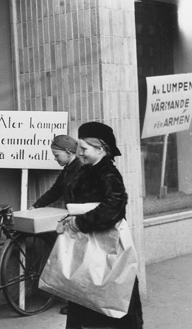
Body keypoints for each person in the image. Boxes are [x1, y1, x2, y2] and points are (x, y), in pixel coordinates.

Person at [61, 122, 143, 329]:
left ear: (101, 149)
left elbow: (114, 205)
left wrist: (80, 222)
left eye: (84, 149)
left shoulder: (108, 173)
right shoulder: (89, 170)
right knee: (89, 296)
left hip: (106, 248)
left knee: (110, 299)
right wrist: (67, 221)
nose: (80, 153)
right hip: (91, 246)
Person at [30, 134, 83, 315]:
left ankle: (80, 305)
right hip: (73, 221)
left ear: (68, 152)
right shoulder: (68, 169)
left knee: (78, 263)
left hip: (81, 222)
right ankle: (76, 303)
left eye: (57, 155)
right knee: (72, 263)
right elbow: (55, 191)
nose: (55, 159)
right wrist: (35, 206)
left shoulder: (81, 169)